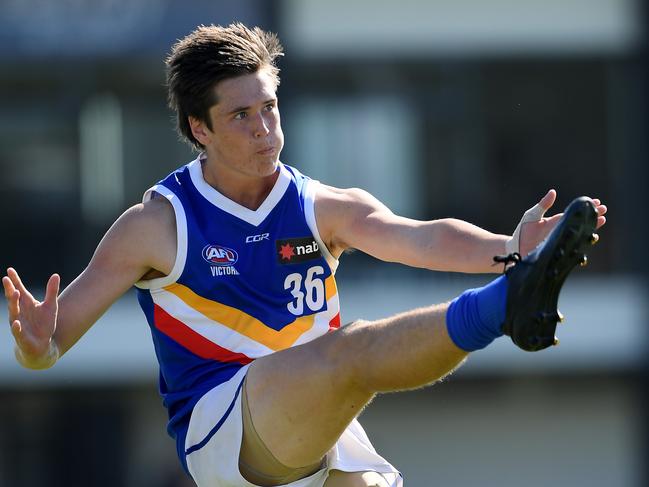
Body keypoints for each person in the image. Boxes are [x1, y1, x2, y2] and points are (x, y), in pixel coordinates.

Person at [3, 23, 607, 487]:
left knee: (346, 372)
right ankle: (507, 305)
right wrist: (35, 347)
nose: (264, 128)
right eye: (240, 115)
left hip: (320, 425)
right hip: (227, 431)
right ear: (199, 130)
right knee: (352, 349)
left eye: (269, 107)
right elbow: (52, 343)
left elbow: (419, 237)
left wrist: (509, 247)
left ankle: (512, 286)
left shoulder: (322, 205)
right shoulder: (158, 225)